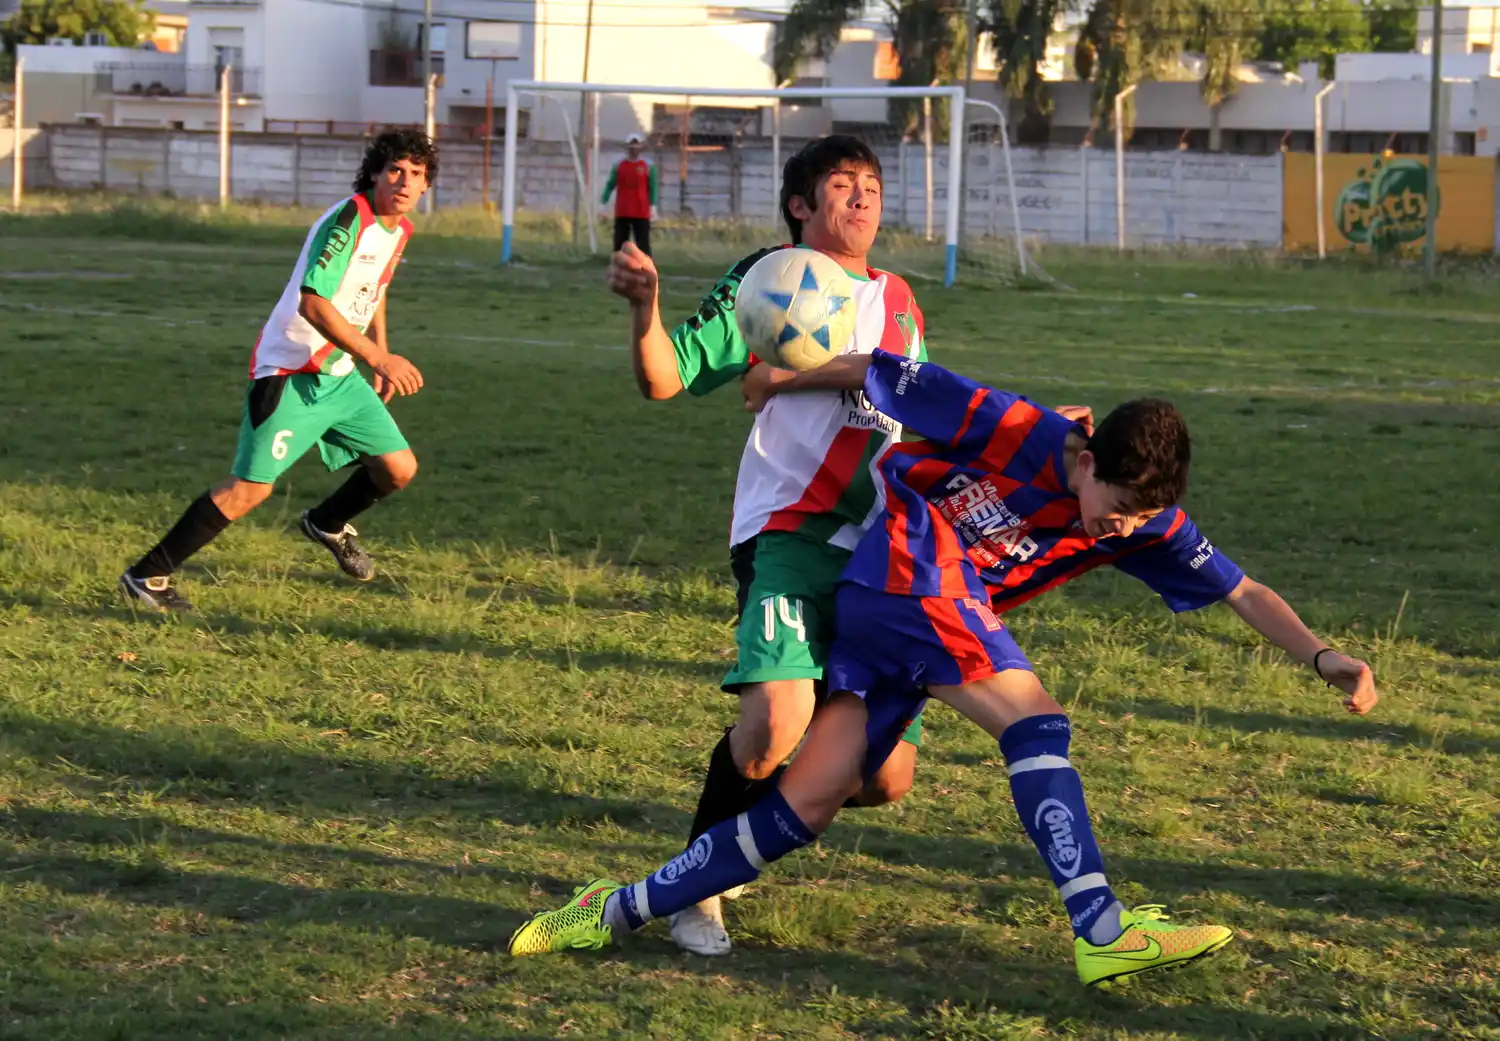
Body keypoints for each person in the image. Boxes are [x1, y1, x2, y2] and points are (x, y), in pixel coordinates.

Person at [507, 351, 1380, 987]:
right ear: (1085, 460)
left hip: (903, 615)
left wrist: (1323, 656)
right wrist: (776, 381)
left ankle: (608, 909)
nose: (1116, 530)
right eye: (1111, 510)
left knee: (803, 806)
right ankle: (1102, 926)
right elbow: (874, 367)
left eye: (1135, 519)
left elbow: (1243, 588)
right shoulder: (1015, 426)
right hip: (912, 580)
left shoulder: (1145, 517)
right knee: (1035, 723)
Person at [601, 135, 932, 956]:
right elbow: (665, 376)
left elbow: (906, 399)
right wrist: (646, 310)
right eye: (841, 185)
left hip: (878, 553)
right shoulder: (771, 281)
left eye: (871, 185)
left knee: (885, 778)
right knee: (770, 730)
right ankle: (696, 890)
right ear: (799, 204)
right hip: (788, 532)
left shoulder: (901, 300)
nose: (861, 198)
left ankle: (743, 837)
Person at [119, 129, 437, 611]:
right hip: (291, 369)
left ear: (427, 186)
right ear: (376, 172)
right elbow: (313, 304)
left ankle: (327, 523)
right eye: (396, 170)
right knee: (249, 489)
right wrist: (378, 357)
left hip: (340, 371)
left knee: (398, 468)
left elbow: (375, 287)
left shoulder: (400, 229)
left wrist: (378, 353)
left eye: (416, 174)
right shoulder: (350, 218)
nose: (405, 181)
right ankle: (147, 576)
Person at [601, 132, 658, 256]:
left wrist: (653, 206)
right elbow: (611, 184)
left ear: (641, 147)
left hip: (641, 211)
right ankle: (619, 267)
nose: (634, 149)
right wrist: (603, 202)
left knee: (643, 243)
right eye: (631, 146)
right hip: (623, 210)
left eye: (637, 145)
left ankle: (645, 268)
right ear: (627, 147)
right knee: (620, 243)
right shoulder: (619, 165)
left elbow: (653, 187)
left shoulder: (648, 165)